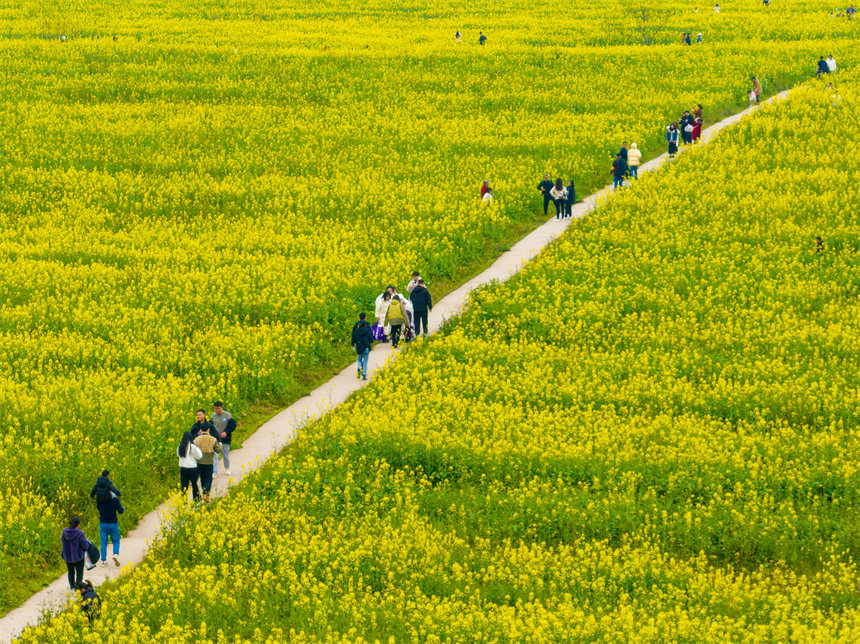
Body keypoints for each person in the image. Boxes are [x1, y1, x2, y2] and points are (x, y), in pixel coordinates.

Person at [62, 518, 94, 591]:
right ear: (78, 524)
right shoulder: (80, 533)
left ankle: (72, 588)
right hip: (78, 557)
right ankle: (78, 588)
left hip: (67, 557)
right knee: (79, 573)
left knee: (70, 572)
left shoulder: (64, 533)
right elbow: (85, 546)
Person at [193, 419, 222, 501]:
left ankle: (204, 492)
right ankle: (206, 493)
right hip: (209, 462)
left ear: (200, 430)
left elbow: (194, 450)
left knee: (202, 478)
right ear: (209, 429)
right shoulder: (213, 439)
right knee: (209, 478)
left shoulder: (196, 439)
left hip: (200, 462)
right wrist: (221, 445)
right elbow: (218, 450)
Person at [96, 482, 123, 567]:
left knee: (103, 542)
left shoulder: (100, 500)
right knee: (115, 540)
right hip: (113, 523)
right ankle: (115, 554)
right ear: (111, 491)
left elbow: (98, 508)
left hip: (103, 523)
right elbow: (121, 511)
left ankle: (103, 561)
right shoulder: (115, 500)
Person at [191, 409, 220, 475]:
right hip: (199, 445)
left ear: (204, 415)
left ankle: (214, 472)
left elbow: (216, 434)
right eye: (197, 415)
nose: (198, 416)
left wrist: (218, 442)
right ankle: (198, 474)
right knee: (199, 459)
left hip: (209, 444)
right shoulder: (195, 426)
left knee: (213, 458)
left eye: (200, 415)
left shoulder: (209, 425)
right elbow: (191, 435)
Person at [210, 401, 235, 476]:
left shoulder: (227, 415)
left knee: (225, 454)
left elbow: (232, 424)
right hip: (216, 439)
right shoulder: (213, 416)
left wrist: (226, 432)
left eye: (218, 408)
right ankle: (214, 472)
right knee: (215, 455)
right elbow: (210, 425)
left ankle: (227, 468)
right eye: (215, 409)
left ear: (222, 407)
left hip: (225, 438)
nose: (217, 410)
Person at [177, 431, 203, 502]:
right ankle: (196, 499)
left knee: (184, 486)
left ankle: (184, 502)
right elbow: (199, 456)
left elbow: (179, 455)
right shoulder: (193, 447)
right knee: (194, 485)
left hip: (183, 468)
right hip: (192, 468)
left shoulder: (180, 446)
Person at [351, 313, 373, 380]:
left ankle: (358, 368)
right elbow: (371, 339)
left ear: (359, 317)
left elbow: (353, 336)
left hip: (359, 347)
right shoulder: (368, 328)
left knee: (359, 360)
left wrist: (352, 344)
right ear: (365, 318)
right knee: (365, 361)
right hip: (366, 347)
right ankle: (364, 375)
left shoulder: (356, 330)